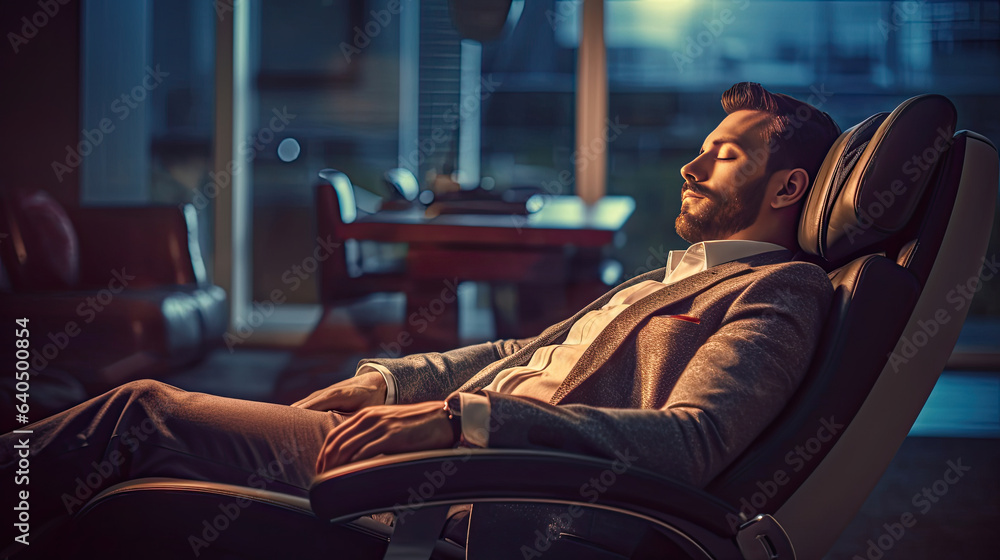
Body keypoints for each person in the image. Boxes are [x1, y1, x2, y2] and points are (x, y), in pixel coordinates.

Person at [1, 82, 839, 556]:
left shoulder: (777, 292)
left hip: (476, 490)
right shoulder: (675, 277)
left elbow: (690, 442)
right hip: (432, 448)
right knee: (142, 450)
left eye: (726, 154)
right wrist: (383, 379)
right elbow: (521, 348)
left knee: (141, 415)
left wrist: (460, 423)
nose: (693, 163)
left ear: (788, 188)